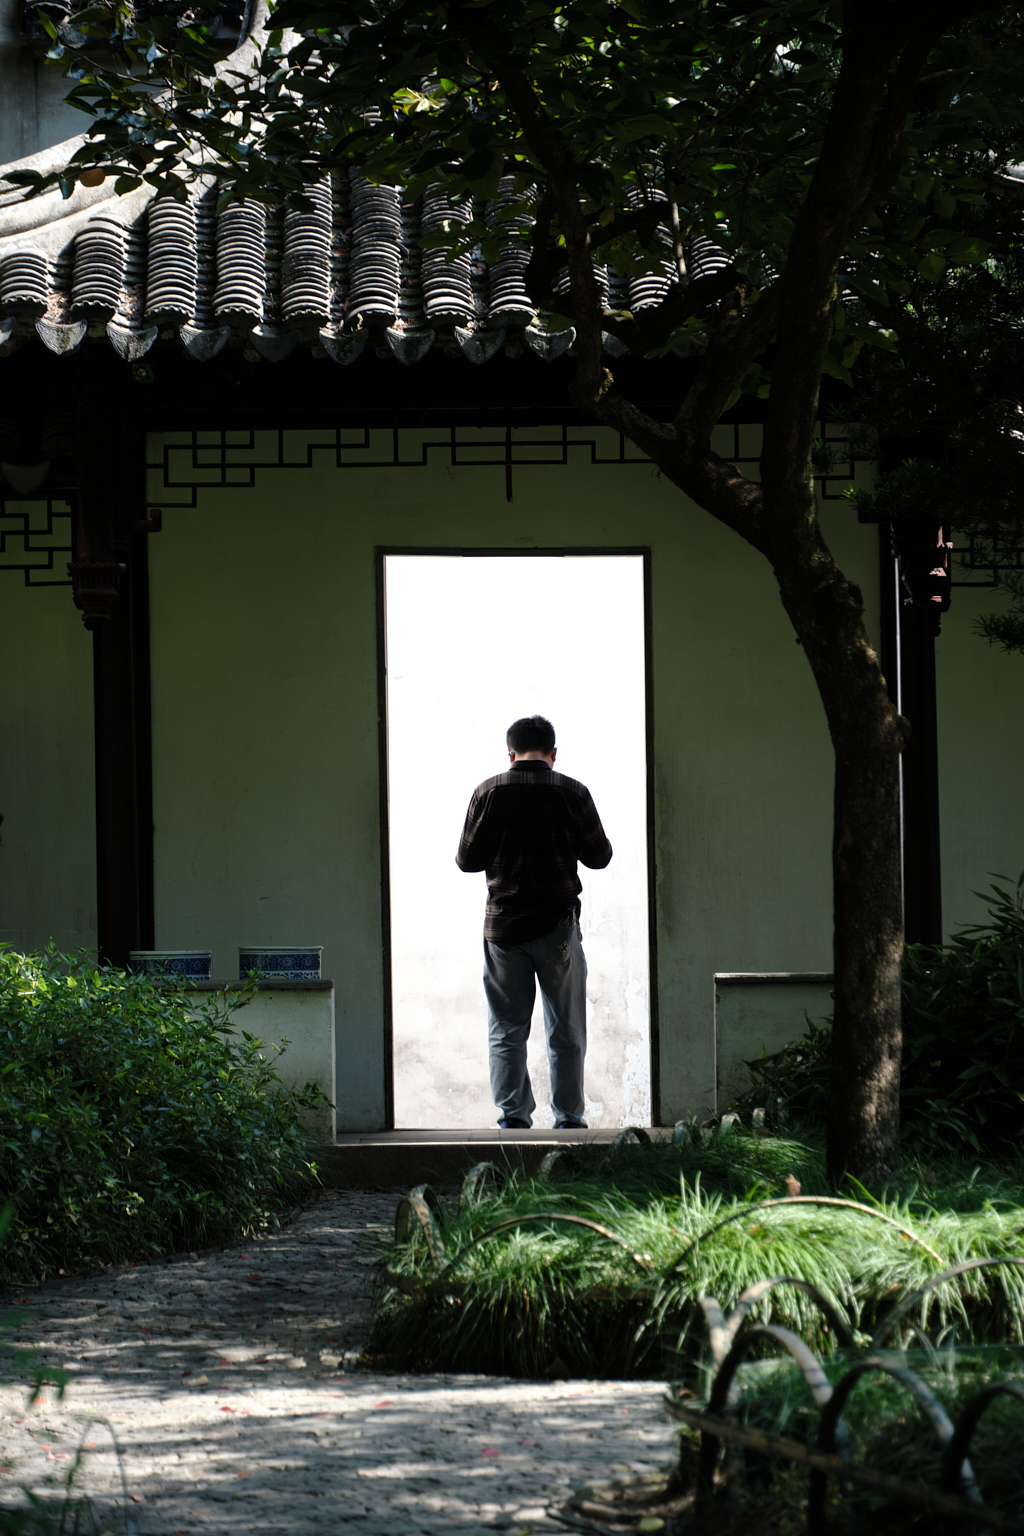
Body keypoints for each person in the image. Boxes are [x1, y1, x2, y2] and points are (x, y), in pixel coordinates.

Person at [456, 715, 613, 1130]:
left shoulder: (487, 793)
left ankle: (513, 1118)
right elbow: (600, 856)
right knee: (566, 1029)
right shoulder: (573, 793)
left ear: (510, 754)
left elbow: (466, 861)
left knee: (507, 1028)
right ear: (553, 753)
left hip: (504, 929)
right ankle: (569, 1120)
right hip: (557, 928)